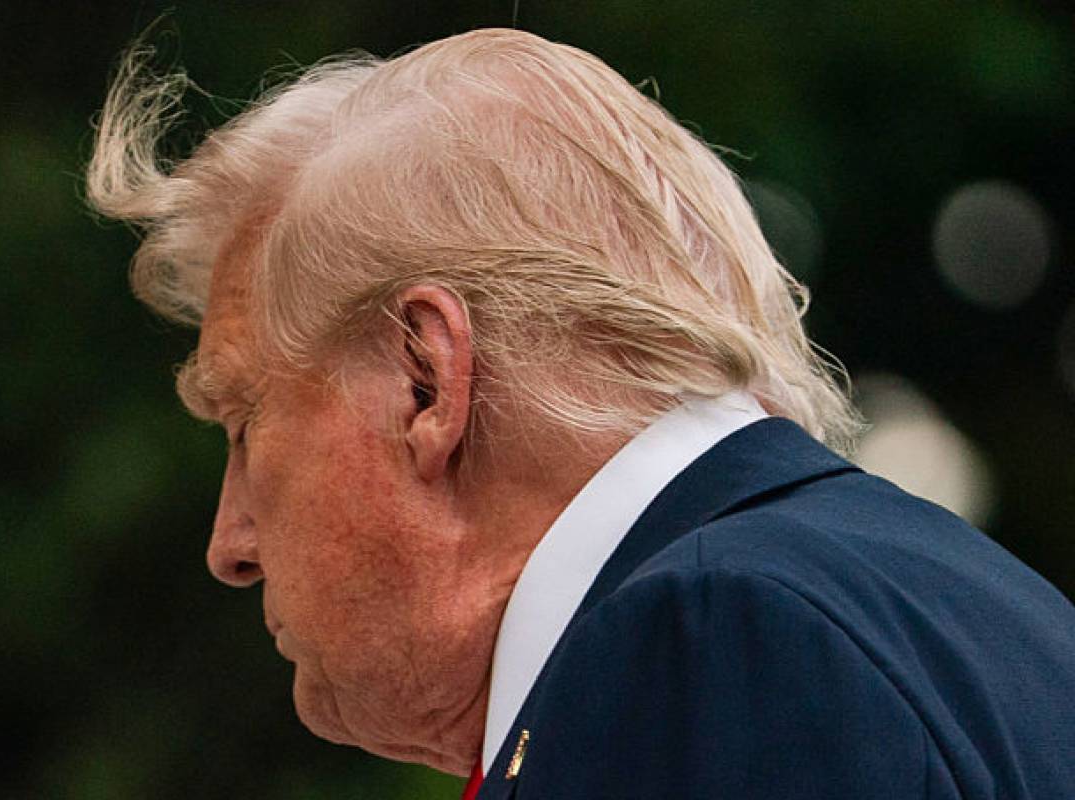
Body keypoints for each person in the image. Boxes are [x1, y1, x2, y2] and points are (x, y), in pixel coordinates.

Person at [85, 27, 1075, 799]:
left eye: (246, 422)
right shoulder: (955, 602)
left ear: (425, 379)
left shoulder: (708, 647)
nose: (231, 541)